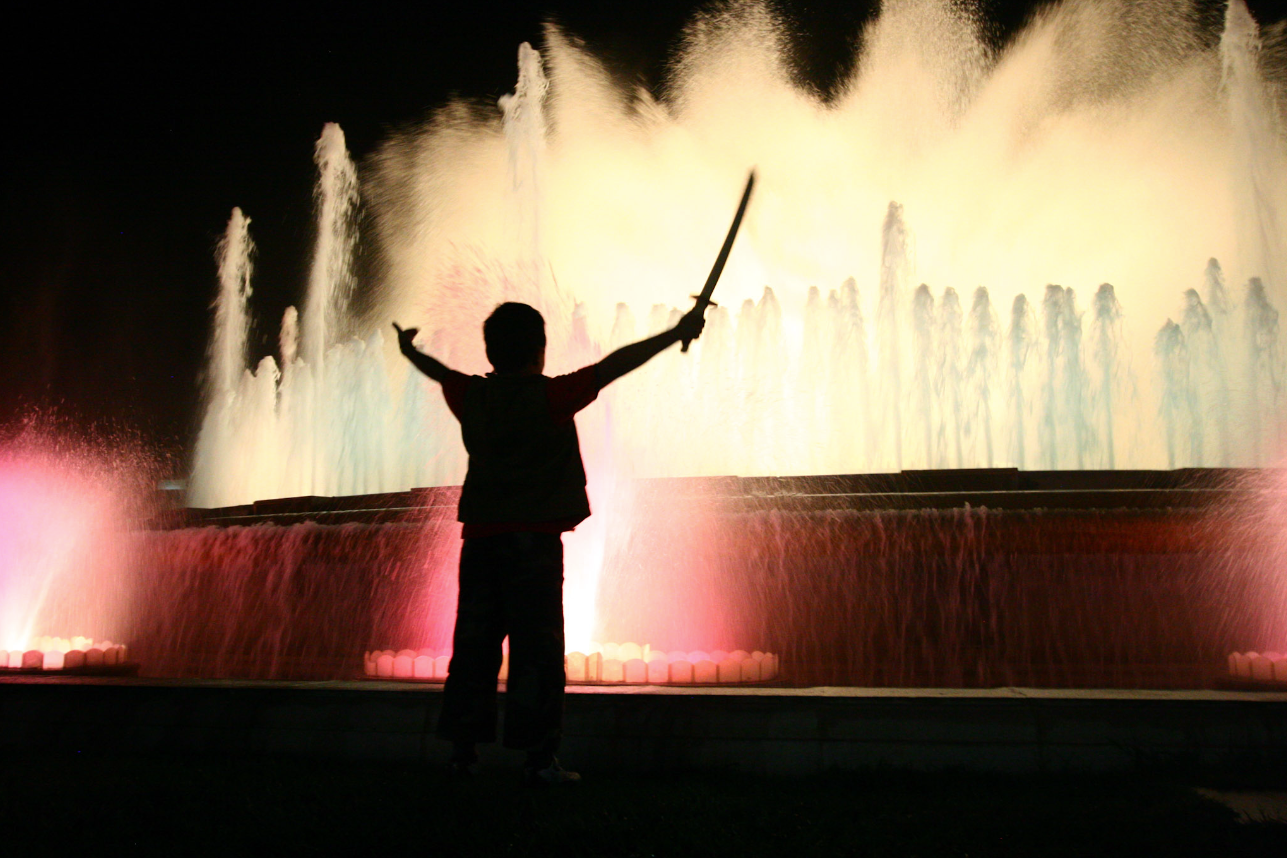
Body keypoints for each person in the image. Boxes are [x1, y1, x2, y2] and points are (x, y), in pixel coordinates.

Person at [393, 300, 706, 787]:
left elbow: (440, 372)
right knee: (537, 650)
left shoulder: (471, 396)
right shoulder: (553, 396)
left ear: (491, 351)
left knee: (473, 649)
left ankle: (464, 755)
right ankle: (538, 760)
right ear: (539, 350)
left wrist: (408, 350)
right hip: (533, 545)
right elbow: (616, 364)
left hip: (480, 543)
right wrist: (676, 332)